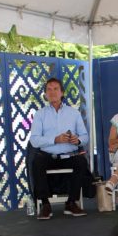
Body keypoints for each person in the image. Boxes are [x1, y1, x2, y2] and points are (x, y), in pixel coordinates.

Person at [29, 77, 89, 219]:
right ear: (45, 94)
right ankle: (45, 204)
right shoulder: (40, 114)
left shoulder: (74, 113)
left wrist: (78, 140)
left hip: (68, 155)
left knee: (81, 162)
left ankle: (71, 203)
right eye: (49, 89)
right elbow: (34, 140)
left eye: (56, 89)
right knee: (37, 162)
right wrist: (55, 140)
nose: (52, 92)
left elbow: (85, 136)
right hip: (47, 156)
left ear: (62, 92)